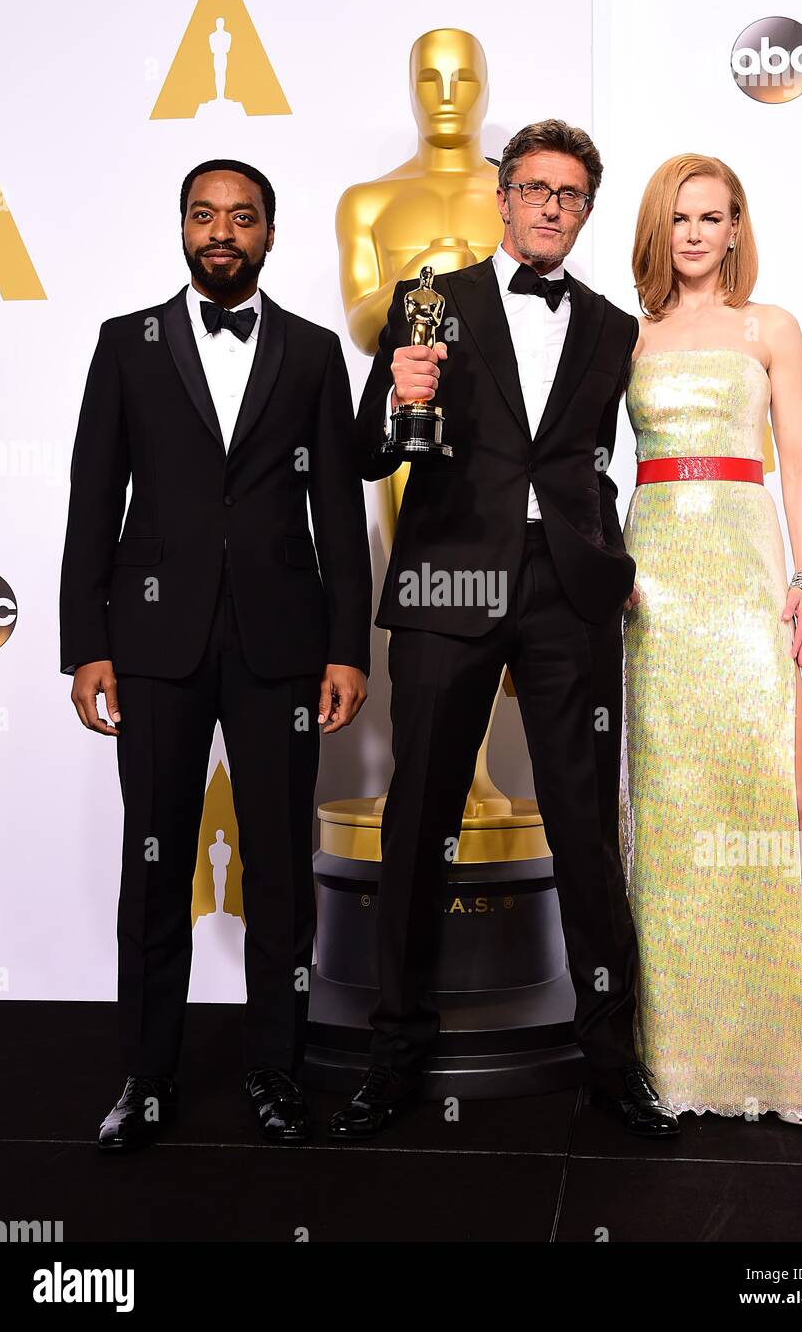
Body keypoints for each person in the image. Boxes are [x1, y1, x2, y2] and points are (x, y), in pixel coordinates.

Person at [330, 119, 680, 1141]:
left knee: (582, 820)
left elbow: (607, 461)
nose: (551, 208)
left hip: (567, 590)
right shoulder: (429, 301)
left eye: (570, 195)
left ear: (585, 208)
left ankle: (612, 1059)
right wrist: (397, 396)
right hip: (447, 579)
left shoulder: (614, 327)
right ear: (502, 197)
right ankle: (393, 1056)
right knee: (416, 814)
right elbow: (360, 451)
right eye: (534, 190)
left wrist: (615, 564)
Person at [59, 159, 372, 1150]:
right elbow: (90, 499)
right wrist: (85, 642)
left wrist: (345, 647)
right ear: (182, 229)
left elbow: (339, 514)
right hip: (153, 642)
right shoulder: (126, 345)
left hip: (282, 642)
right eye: (205, 215)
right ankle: (146, 1077)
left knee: (281, 867)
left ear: (270, 235)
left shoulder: (316, 353)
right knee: (152, 865)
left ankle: (274, 1070)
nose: (221, 231)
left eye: (242, 217)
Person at [620, 153, 802, 1127]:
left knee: (750, 794)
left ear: (736, 226)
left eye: (712, 216)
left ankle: (763, 1055)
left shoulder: (768, 328)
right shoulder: (630, 333)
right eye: (679, 217)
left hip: (742, 572)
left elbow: (797, 461)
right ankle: (670, 1061)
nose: (695, 233)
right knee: (662, 808)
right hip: (650, 576)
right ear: (658, 231)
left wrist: (799, 575)